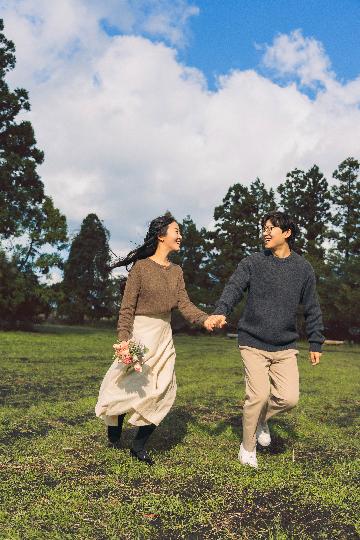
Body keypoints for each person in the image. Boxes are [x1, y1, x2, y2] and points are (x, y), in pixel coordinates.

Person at [95, 211, 225, 465]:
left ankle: (139, 446)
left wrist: (206, 319)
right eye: (177, 231)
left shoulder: (177, 271)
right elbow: (127, 309)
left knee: (163, 388)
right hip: (140, 335)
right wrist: (124, 339)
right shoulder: (141, 269)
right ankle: (114, 424)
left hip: (163, 336)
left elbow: (185, 305)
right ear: (161, 236)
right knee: (124, 385)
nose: (181, 236)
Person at [212, 211, 325, 468]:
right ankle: (247, 447)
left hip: (285, 345)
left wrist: (316, 342)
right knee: (258, 395)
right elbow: (233, 288)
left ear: (286, 233)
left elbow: (312, 308)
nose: (265, 232)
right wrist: (221, 311)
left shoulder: (303, 269)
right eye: (263, 227)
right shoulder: (253, 262)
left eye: (271, 228)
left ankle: (262, 419)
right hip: (252, 340)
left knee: (289, 398)